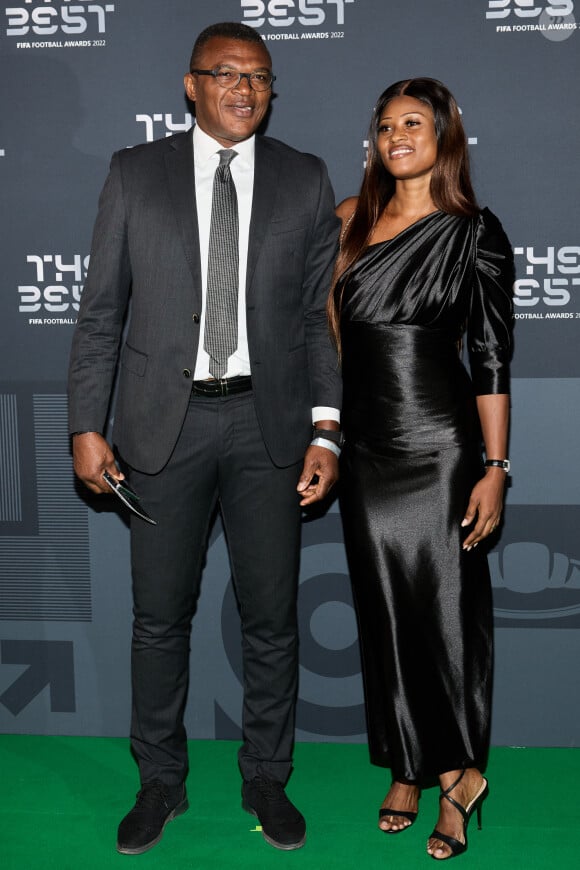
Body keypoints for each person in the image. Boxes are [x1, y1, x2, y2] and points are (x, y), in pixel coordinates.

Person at [68, 21, 342, 855]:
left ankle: (267, 778)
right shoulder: (134, 173)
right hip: (162, 429)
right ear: (190, 85)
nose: (243, 88)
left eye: (258, 76)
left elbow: (316, 323)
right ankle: (161, 784)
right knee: (159, 620)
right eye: (225, 74)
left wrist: (326, 431)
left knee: (271, 621)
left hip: (269, 429)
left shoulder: (303, 178)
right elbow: (102, 314)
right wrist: (86, 423)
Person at [329, 78, 513, 860]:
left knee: (444, 618)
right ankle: (405, 763)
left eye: (414, 122)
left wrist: (496, 466)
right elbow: (330, 332)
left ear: (444, 136)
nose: (397, 135)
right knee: (383, 615)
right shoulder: (348, 218)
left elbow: (494, 358)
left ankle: (458, 776)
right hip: (368, 451)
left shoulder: (476, 231)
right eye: (385, 124)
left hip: (441, 447)